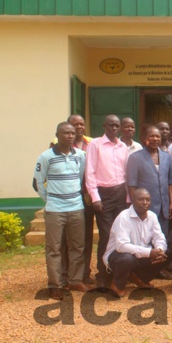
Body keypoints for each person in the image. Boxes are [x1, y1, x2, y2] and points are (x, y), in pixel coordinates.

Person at [34, 122, 90, 300]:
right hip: (54, 211)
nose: (70, 136)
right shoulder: (46, 157)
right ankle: (55, 285)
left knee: (77, 247)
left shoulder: (81, 156)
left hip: (76, 208)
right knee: (54, 248)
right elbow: (37, 183)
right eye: (66, 133)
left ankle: (75, 280)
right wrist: (50, 200)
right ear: (57, 135)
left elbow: (81, 177)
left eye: (72, 133)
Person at [85, 114, 129, 289]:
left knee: (120, 234)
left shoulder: (123, 146)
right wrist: (95, 197)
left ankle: (117, 272)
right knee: (105, 235)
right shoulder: (95, 144)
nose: (114, 128)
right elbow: (89, 172)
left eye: (117, 125)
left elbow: (126, 173)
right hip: (103, 196)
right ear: (104, 126)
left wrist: (127, 198)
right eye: (111, 125)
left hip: (121, 195)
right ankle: (102, 273)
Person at [50, 114, 95, 284]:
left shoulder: (91, 143)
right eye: (75, 124)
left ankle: (83, 273)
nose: (79, 127)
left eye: (82, 124)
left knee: (85, 237)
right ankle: (64, 273)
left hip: (86, 197)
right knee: (64, 239)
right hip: (64, 199)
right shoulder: (56, 144)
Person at [103, 188, 169, 298]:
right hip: (118, 256)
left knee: (167, 254)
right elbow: (121, 246)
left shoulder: (152, 216)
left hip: (140, 255)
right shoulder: (123, 217)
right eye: (141, 199)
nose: (145, 203)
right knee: (127, 259)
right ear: (133, 200)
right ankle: (118, 284)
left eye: (147, 200)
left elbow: (159, 238)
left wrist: (159, 250)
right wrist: (149, 252)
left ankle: (140, 279)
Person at [127, 125, 172, 237]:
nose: (155, 139)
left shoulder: (167, 157)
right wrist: (136, 206)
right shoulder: (135, 158)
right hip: (145, 207)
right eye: (152, 136)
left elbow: (170, 182)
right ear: (145, 138)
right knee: (145, 237)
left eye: (157, 136)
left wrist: (171, 202)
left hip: (164, 208)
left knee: (162, 237)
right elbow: (131, 185)